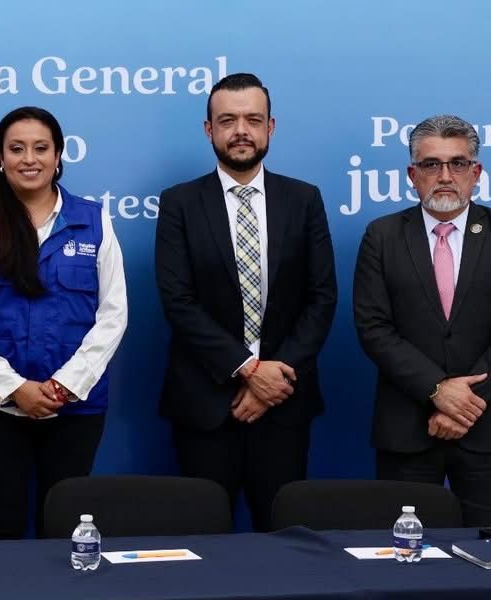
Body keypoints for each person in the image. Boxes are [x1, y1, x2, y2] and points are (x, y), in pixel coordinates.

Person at [155, 73, 337, 531]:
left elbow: (321, 297)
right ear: (208, 129)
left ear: (270, 127)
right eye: (228, 120)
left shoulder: (304, 199)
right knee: (201, 543)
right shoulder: (179, 203)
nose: (241, 130)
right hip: (205, 404)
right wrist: (248, 370)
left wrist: (274, 377)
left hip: (284, 402)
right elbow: (178, 301)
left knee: (284, 542)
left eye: (253, 119)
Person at [0, 106, 127, 539]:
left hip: (75, 406)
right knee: (1, 523)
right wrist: (13, 388)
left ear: (58, 155)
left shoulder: (94, 219)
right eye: (16, 149)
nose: (30, 159)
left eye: (41, 148)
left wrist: (65, 385)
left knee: (64, 527)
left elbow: (113, 314)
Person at [353, 115, 491, 528]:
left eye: (457, 164)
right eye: (431, 164)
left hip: (490, 428)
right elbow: (374, 329)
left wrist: (464, 405)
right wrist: (436, 391)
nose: (445, 176)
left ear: (476, 173)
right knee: (404, 565)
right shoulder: (381, 236)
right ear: (412, 175)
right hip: (408, 430)